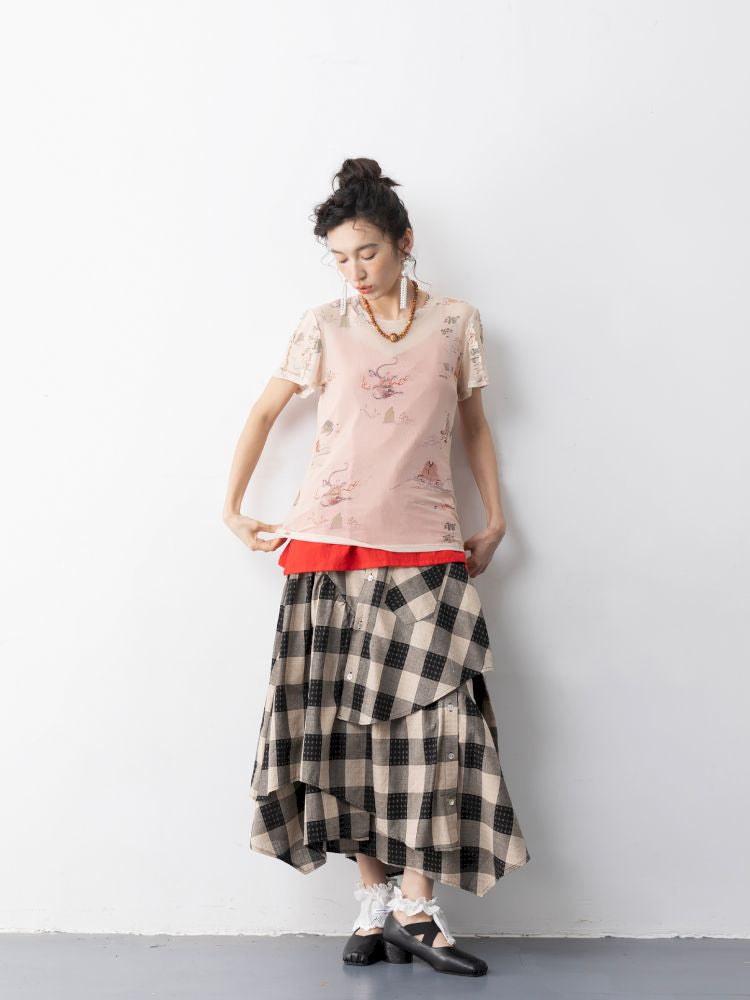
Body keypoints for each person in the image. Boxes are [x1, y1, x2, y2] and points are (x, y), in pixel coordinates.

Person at [222, 157, 530, 977]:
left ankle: (417, 906)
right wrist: (233, 506)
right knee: (340, 727)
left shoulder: (457, 321)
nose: (354, 271)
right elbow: (265, 410)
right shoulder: (322, 324)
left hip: (427, 543)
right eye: (340, 258)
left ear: (404, 242)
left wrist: (496, 517)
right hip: (328, 545)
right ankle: (375, 903)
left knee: (439, 726)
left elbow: (475, 425)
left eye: (367, 252)